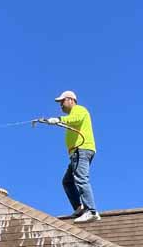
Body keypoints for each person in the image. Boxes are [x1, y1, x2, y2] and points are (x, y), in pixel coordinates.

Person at [41, 90, 99, 223]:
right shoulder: (74, 114)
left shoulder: (79, 110)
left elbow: (75, 119)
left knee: (81, 179)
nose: (60, 105)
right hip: (76, 153)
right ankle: (80, 208)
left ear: (71, 100)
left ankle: (91, 211)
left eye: (62, 101)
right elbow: (71, 121)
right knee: (67, 181)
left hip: (81, 150)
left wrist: (58, 119)